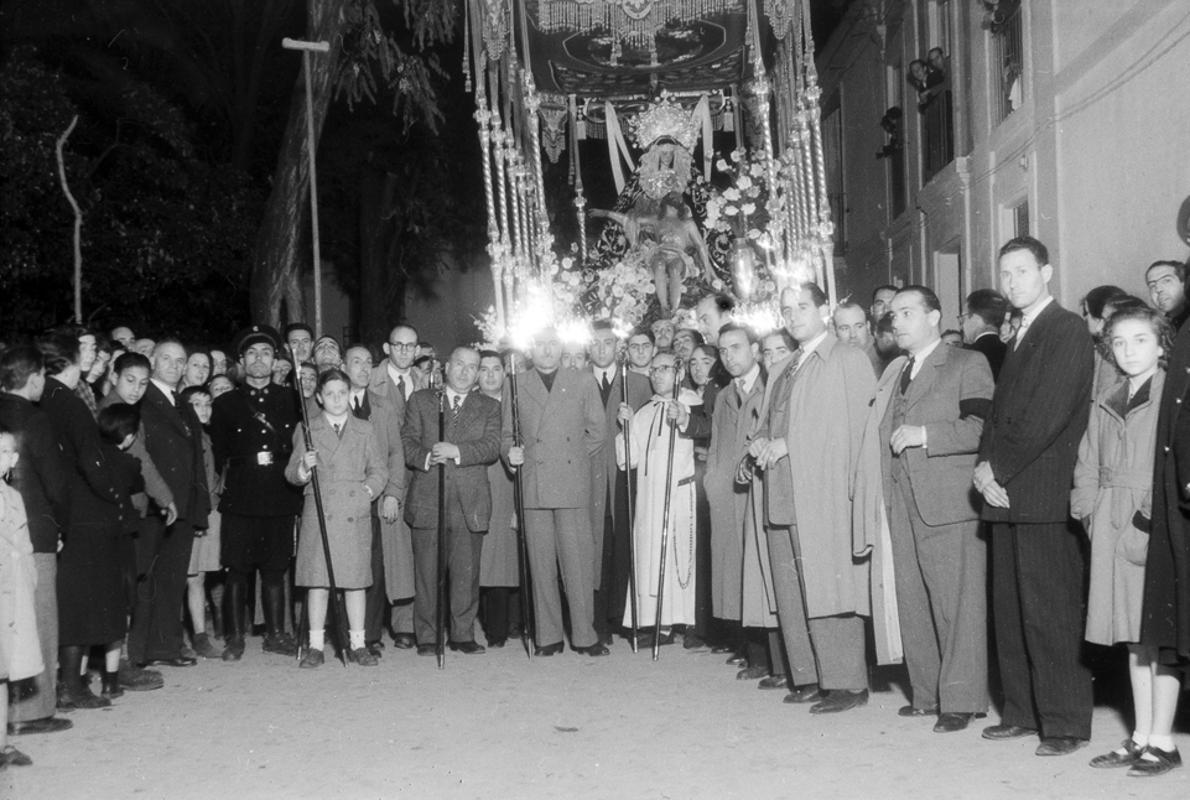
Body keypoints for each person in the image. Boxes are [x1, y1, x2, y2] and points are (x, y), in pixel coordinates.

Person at [974, 236, 1094, 756]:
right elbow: (1000, 414)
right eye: (1006, 274)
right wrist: (982, 468)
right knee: (1011, 610)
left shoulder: (1065, 328)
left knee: (1051, 611)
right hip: (1002, 492)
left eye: (1022, 271)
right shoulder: (1019, 333)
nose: (1012, 282)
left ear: (1046, 272)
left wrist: (995, 467)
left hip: (1041, 492)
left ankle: (1064, 721)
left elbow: (1047, 414)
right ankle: (1022, 712)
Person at [865, 286, 993, 732]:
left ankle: (961, 698)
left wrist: (926, 435)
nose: (896, 322)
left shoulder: (965, 362)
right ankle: (927, 693)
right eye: (893, 315)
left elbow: (981, 427)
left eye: (906, 313)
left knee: (956, 603)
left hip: (948, 503)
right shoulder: (898, 370)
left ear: (934, 316)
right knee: (913, 598)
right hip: (901, 498)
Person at [748, 284, 876, 713]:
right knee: (791, 587)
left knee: (828, 584)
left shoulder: (845, 357)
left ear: (824, 309)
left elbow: (857, 430)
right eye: (786, 309)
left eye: (803, 306)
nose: (793, 315)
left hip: (822, 490)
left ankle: (845, 682)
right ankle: (807, 674)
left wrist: (789, 444)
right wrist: (762, 443)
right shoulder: (785, 366)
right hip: (781, 488)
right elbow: (770, 420)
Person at [1073, 306, 1180, 776]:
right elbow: (1087, 460)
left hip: (1150, 518)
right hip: (1109, 515)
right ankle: (1140, 735)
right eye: (1118, 342)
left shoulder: (1173, 393)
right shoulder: (1107, 397)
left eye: (1140, 340)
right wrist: (1090, 512)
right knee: (1133, 639)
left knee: (1159, 637)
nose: (1129, 350)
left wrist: (1146, 520)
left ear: (1161, 345)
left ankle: (1164, 740)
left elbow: (1172, 467)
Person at [504, 327, 608, 656]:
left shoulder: (582, 380)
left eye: (552, 344)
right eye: (540, 344)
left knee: (577, 565)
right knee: (541, 564)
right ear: (530, 348)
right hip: (534, 483)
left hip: (571, 483)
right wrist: (512, 452)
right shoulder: (515, 383)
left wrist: (574, 457)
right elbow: (507, 433)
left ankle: (584, 636)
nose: (546, 350)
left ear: (560, 347)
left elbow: (598, 431)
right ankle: (547, 636)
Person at [209, 326, 302, 661]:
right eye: (251, 353)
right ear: (240, 362)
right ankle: (235, 637)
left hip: (280, 491)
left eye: (265, 352)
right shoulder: (225, 404)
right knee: (237, 569)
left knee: (276, 568)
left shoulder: (292, 399)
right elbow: (219, 452)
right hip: (241, 494)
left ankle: (276, 634)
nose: (259, 359)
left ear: (275, 359)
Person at [402, 347, 500, 656]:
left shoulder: (488, 406)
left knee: (465, 573)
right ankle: (428, 636)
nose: (465, 371)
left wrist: (456, 451)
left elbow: (492, 446)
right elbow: (407, 442)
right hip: (429, 497)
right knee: (428, 573)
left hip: (468, 501)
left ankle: (462, 634)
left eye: (472, 367)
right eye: (459, 364)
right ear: (446, 367)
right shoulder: (421, 400)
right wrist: (430, 456)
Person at [287, 368, 388, 668]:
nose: (336, 399)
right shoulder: (306, 428)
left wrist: (366, 492)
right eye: (329, 394)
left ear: (349, 395)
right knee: (317, 582)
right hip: (320, 513)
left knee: (355, 582)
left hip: (353, 513)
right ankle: (315, 645)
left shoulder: (364, 429)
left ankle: (358, 643)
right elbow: (291, 473)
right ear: (319, 397)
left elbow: (379, 470)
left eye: (342, 393)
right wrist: (304, 468)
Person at [0, 346, 74, 735]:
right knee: (39, 621)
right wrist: (61, 524)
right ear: (33, 378)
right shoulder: (37, 418)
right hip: (33, 531)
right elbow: (56, 484)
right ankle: (35, 711)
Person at [128, 340, 208, 669]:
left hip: (183, 505)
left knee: (173, 578)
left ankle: (166, 646)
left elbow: (197, 461)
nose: (174, 366)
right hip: (154, 504)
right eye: (167, 360)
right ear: (152, 361)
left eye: (180, 361)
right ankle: (139, 651)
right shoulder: (141, 400)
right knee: (145, 577)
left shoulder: (183, 402)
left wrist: (199, 508)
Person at [616, 351, 701, 641]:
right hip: (649, 497)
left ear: (678, 372)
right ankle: (659, 623)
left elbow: (702, 435)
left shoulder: (691, 401)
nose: (656, 374)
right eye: (653, 370)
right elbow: (630, 460)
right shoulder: (645, 411)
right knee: (651, 558)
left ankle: (689, 623)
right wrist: (625, 428)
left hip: (680, 493)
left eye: (664, 368)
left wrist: (685, 417)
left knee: (681, 559)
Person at [704, 324, 766, 659]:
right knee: (732, 568)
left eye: (736, 348)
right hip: (727, 493)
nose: (729, 357)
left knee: (757, 566)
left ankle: (763, 653)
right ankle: (746, 646)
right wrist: (712, 481)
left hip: (757, 490)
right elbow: (715, 446)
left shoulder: (770, 386)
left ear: (755, 350)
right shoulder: (725, 394)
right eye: (723, 351)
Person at [588, 321, 651, 646]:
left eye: (608, 343)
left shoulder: (638, 383)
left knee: (625, 544)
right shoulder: (577, 381)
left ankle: (623, 617)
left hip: (626, 476)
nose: (601, 349)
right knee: (596, 547)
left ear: (617, 347)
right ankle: (596, 619)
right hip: (591, 478)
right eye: (595, 343)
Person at [342, 345, 406, 657]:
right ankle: (344, 633)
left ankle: (371, 634)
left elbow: (396, 452)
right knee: (344, 567)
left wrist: (393, 492)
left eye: (369, 362)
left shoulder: (384, 406)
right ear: (343, 366)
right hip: (342, 501)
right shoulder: (330, 403)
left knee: (374, 569)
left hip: (375, 499)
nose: (364, 368)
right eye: (357, 362)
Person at [368, 323, 420, 648]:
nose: (403, 351)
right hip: (383, 475)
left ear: (417, 350)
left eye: (409, 346)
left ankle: (405, 625)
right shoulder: (370, 380)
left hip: (417, 475)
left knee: (409, 553)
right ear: (387, 348)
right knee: (383, 552)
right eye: (397, 345)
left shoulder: (425, 381)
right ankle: (373, 627)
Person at [0, 426, 42, 768]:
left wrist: (30, 578)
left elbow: (24, 546)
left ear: (13, 460)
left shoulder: (13, 497)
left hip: (12, 595)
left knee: (3, 672)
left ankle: (2, 744)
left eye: (4, 452)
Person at [476, 351, 519, 647]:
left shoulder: (514, 405)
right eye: (484, 369)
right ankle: (490, 625)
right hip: (481, 484)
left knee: (507, 558)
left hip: (509, 484)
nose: (491, 375)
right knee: (483, 559)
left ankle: (511, 624)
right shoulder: (469, 405)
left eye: (496, 369)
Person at [179, 385, 222, 660]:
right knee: (184, 576)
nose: (204, 410)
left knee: (199, 577)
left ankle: (199, 636)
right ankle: (174, 637)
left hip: (211, 509)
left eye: (208, 404)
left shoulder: (208, 435)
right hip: (192, 512)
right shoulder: (184, 437)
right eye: (197, 404)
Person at [961, 289, 1009, 380]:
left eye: (963, 318)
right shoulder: (1012, 352)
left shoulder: (967, 356)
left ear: (976, 318)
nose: (962, 326)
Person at [833, 300, 882, 375]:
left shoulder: (882, 362)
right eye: (845, 328)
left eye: (859, 326)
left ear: (868, 327)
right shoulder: (832, 362)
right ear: (835, 331)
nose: (853, 335)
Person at [1145, 259, 1188, 331]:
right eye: (1152, 286)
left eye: (1166, 281)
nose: (1158, 289)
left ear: (1185, 283)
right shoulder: (1161, 328)